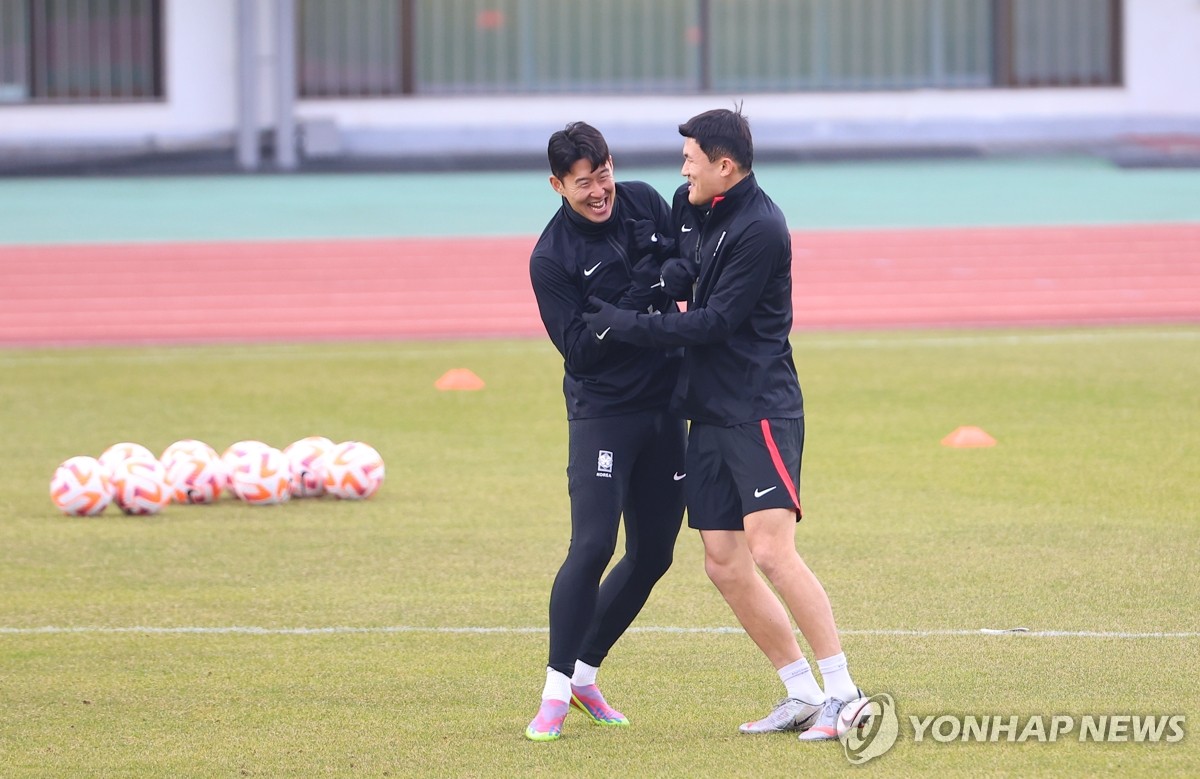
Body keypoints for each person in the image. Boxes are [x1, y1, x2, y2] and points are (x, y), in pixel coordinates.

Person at [582, 107, 864, 741]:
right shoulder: (695, 206)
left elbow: (714, 322)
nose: (683, 167)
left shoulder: (761, 228)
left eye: (691, 159)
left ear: (725, 167)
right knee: (722, 560)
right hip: (706, 410)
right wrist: (667, 275)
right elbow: (685, 265)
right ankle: (799, 692)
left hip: (758, 407)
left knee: (771, 551)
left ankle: (845, 695)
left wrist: (625, 324)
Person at [524, 121, 687, 742]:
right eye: (583, 183)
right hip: (605, 413)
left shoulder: (644, 200)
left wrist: (625, 311)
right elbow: (580, 353)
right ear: (557, 185)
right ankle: (554, 693)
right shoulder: (551, 258)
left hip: (668, 402)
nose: (599, 191)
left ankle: (586, 673)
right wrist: (647, 298)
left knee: (653, 555)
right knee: (591, 547)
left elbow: (684, 268)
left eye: (604, 174)